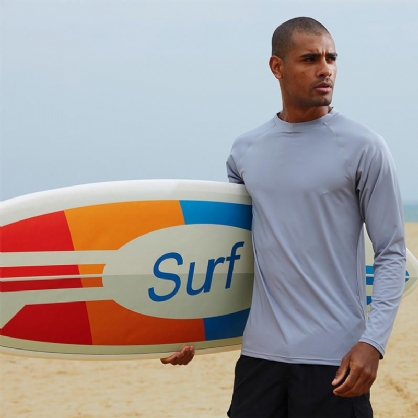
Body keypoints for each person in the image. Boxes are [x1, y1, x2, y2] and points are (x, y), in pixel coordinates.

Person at [225, 17, 406, 418]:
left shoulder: (364, 147)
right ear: (277, 67)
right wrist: (186, 331)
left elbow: (392, 253)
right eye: (310, 59)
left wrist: (373, 343)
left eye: (331, 58)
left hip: (336, 358)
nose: (325, 68)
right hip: (260, 359)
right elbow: (230, 255)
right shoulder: (245, 151)